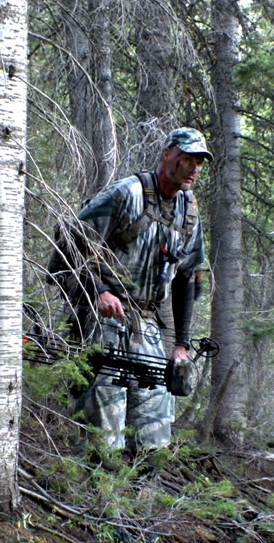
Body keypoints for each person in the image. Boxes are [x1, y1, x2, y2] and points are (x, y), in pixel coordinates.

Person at [68, 127, 210, 463]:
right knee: (102, 434)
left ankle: (137, 511)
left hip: (147, 328)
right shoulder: (128, 193)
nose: (193, 168)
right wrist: (99, 290)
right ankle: (97, 507)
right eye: (187, 158)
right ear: (167, 155)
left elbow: (187, 276)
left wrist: (181, 345)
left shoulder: (188, 212)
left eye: (199, 163)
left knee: (153, 437)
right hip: (104, 322)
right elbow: (72, 237)